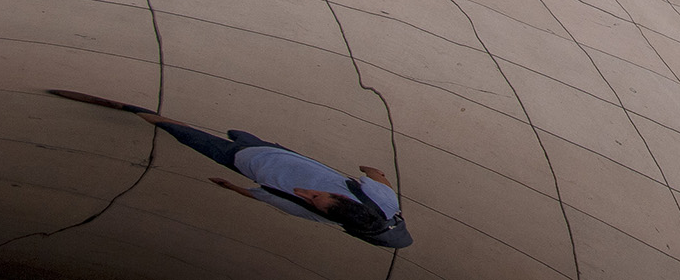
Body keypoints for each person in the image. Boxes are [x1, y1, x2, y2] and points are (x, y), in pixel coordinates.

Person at [48, 91, 411, 248]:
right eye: (317, 194)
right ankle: (168, 122)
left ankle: (140, 112)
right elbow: (377, 173)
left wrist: (230, 187)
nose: (306, 195)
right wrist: (369, 171)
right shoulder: (379, 198)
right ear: (340, 195)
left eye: (311, 200)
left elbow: (267, 199)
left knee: (185, 135)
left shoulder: (320, 216)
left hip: (240, 163)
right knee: (236, 133)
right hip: (271, 152)